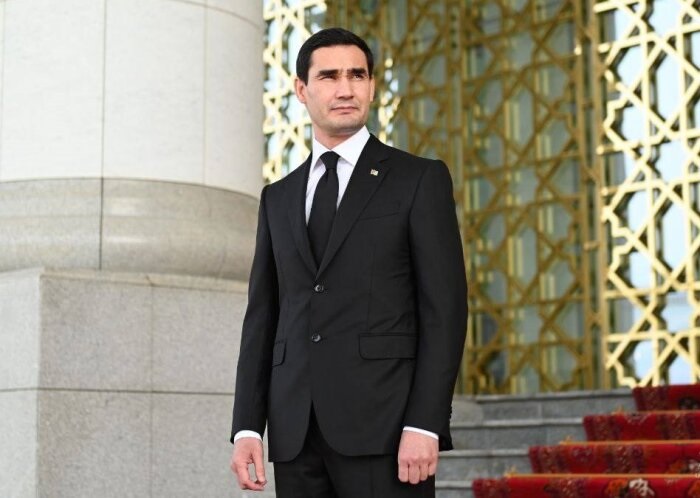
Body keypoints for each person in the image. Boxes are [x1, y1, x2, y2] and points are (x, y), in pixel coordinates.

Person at [230, 27, 468, 498]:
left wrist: (425, 422)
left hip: (386, 429)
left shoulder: (419, 179)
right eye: (329, 76)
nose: (346, 89)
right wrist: (247, 427)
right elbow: (263, 318)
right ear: (301, 89)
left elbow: (445, 310)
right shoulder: (277, 198)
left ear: (372, 86)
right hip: (296, 435)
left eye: (357, 75)